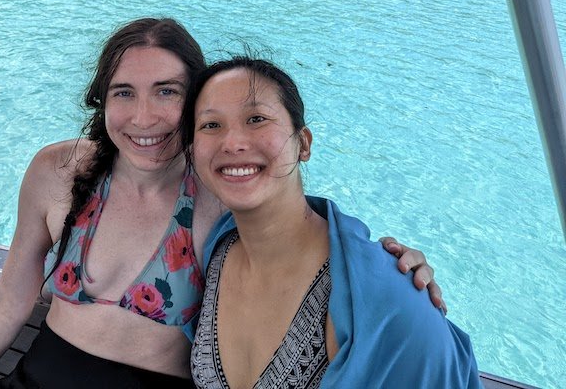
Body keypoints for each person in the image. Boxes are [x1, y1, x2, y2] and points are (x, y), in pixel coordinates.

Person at [0, 19, 442, 389]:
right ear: (103, 101)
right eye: (124, 93)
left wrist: (389, 267)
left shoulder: (220, 199)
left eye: (167, 92)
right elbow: (10, 297)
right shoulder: (59, 173)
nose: (144, 117)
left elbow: (294, 227)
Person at [183, 56, 480, 389]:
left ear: (304, 144)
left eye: (256, 118)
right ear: (193, 152)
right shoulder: (218, 252)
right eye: (211, 125)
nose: (233, 142)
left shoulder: (388, 294)